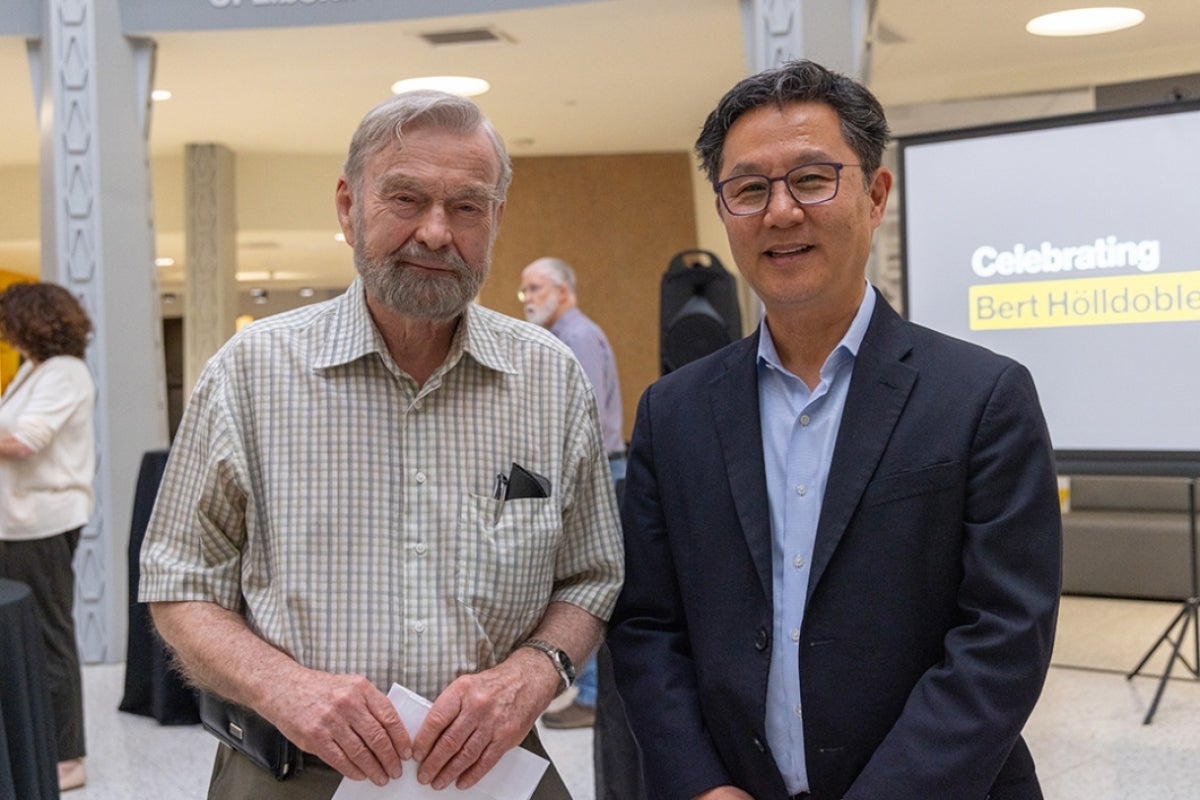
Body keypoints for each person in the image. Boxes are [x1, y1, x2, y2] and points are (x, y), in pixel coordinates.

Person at [139, 90, 624, 800]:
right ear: (347, 205)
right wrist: (285, 688)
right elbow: (178, 581)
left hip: (496, 775)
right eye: (405, 199)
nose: (435, 232)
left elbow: (592, 576)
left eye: (466, 207)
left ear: (494, 219)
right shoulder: (250, 374)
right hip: (290, 774)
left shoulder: (549, 380)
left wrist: (535, 670)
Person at [607, 59, 1062, 800]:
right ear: (724, 213)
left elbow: (1003, 639)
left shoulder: (982, 397)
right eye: (749, 189)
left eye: (813, 179)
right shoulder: (673, 411)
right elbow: (649, 625)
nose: (781, 213)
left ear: (876, 194)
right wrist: (701, 785)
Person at [519, 256, 623, 730]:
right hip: (586, 473)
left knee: (589, 582)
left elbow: (585, 426)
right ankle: (591, 690)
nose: (528, 299)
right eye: (525, 290)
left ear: (564, 291)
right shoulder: (560, 339)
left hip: (598, 476)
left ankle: (596, 695)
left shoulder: (577, 339)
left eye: (536, 288)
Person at [0, 281, 96, 793]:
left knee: (50, 639)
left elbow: (22, 443)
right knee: (22, 639)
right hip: (13, 524)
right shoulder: (31, 371)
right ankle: (31, 744)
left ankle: (68, 757)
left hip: (42, 523)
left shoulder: (66, 373)